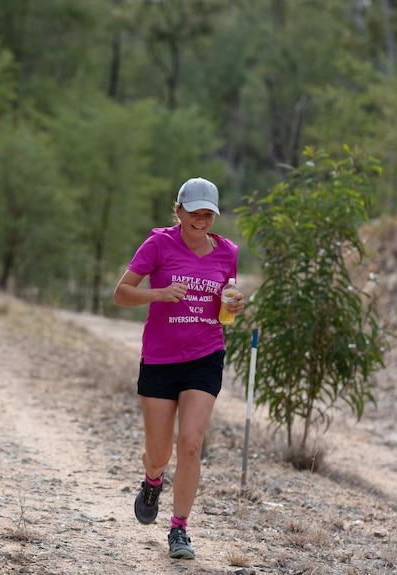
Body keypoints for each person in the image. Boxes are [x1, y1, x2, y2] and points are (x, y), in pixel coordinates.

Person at [112, 177, 244, 560]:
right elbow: (121, 294)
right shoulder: (158, 244)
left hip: (205, 354)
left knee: (190, 444)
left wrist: (231, 307)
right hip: (160, 358)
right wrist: (159, 293)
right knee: (159, 452)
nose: (202, 221)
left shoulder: (228, 252)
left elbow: (224, 304)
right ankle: (152, 480)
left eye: (209, 214)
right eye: (195, 213)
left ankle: (180, 529)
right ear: (179, 211)